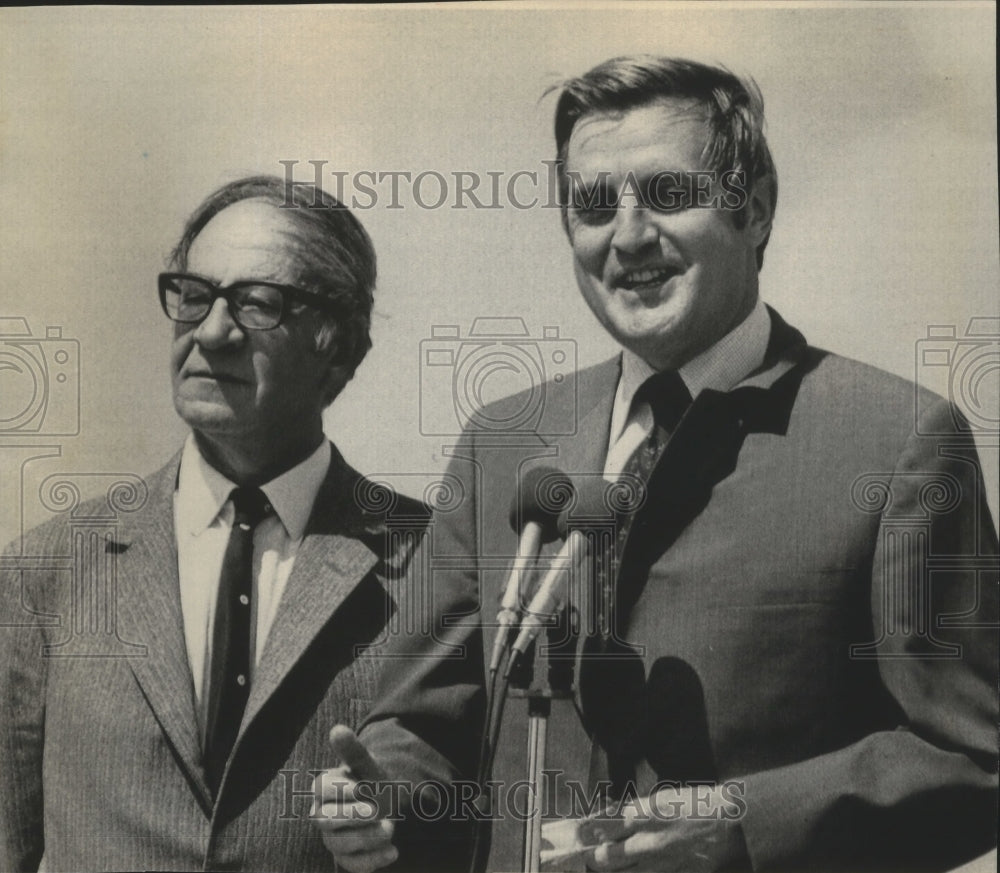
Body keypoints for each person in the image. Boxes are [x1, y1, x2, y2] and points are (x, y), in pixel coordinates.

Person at [314, 57, 999, 872]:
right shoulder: (501, 441)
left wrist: (741, 825)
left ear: (756, 209)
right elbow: (423, 723)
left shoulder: (899, 440)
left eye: (669, 194)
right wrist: (383, 794)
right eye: (594, 205)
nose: (629, 235)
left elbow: (974, 759)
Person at [0, 175, 430, 871]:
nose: (212, 331)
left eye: (257, 303)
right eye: (194, 297)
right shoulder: (45, 572)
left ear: (340, 349)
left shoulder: (434, 567)